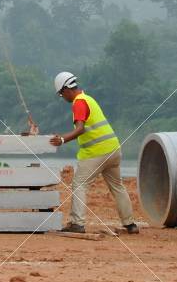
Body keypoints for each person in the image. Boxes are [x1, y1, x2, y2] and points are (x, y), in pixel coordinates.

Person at [48, 72, 139, 234]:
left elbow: (80, 129)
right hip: (114, 150)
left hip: (97, 152)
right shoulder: (89, 99)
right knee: (117, 186)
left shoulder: (79, 102)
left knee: (79, 184)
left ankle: (77, 223)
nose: (62, 97)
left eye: (61, 94)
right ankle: (130, 225)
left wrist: (62, 140)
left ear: (67, 89)